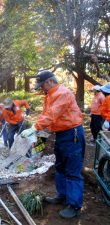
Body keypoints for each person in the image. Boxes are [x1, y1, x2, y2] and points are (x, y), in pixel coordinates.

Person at [21, 71, 85, 218]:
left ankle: (75, 205)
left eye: (42, 84)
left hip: (72, 134)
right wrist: (36, 129)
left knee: (73, 170)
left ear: (50, 80)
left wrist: (34, 128)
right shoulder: (49, 95)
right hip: (61, 134)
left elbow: (52, 114)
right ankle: (63, 195)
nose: (41, 88)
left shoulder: (63, 93)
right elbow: (45, 115)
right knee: (60, 166)